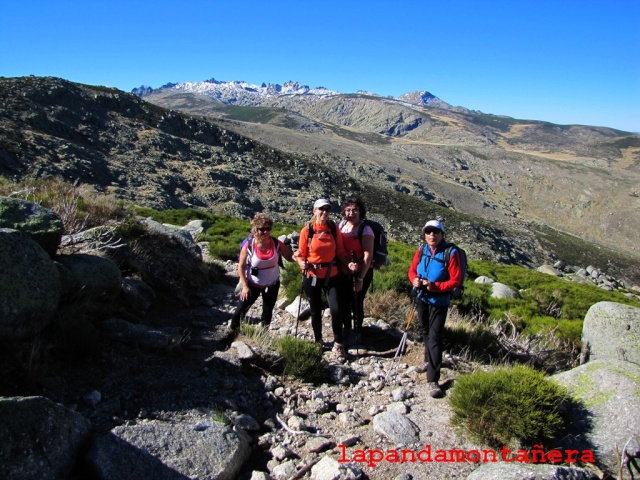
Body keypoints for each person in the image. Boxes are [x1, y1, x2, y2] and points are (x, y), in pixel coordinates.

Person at [407, 219, 462, 398]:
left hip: (439, 301)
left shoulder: (450, 253)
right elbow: (412, 270)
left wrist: (434, 286)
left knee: (435, 337)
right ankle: (427, 360)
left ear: (442, 234)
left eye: (435, 232)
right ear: (424, 234)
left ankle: (433, 379)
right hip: (422, 297)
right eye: (428, 232)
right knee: (424, 331)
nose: (432, 235)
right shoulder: (422, 250)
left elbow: (455, 280)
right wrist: (414, 280)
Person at [294, 198, 351, 360]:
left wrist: (348, 263)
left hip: (332, 275)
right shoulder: (308, 230)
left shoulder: (333, 229)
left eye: (327, 209)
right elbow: (300, 254)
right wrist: (300, 263)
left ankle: (338, 343)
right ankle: (318, 340)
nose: (324, 212)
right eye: (321, 209)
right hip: (312, 275)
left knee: (336, 309)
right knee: (315, 310)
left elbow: (340, 252)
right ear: (314, 211)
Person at [230, 213, 293, 331]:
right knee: (240, 311)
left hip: (272, 284)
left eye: (268, 229)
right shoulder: (249, 245)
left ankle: (263, 335)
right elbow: (241, 266)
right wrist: (244, 286)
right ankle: (232, 333)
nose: (265, 232)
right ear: (255, 229)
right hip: (252, 284)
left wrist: (302, 257)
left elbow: (290, 257)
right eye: (261, 229)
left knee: (267, 312)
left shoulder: (276, 243)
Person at [338, 197, 374, 343]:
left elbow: (368, 255)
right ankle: (347, 329)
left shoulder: (365, 230)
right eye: (348, 210)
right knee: (344, 301)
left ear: (360, 212)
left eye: (355, 210)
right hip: (344, 270)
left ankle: (357, 332)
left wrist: (360, 278)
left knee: (357, 301)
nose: (351, 213)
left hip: (361, 272)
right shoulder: (342, 225)